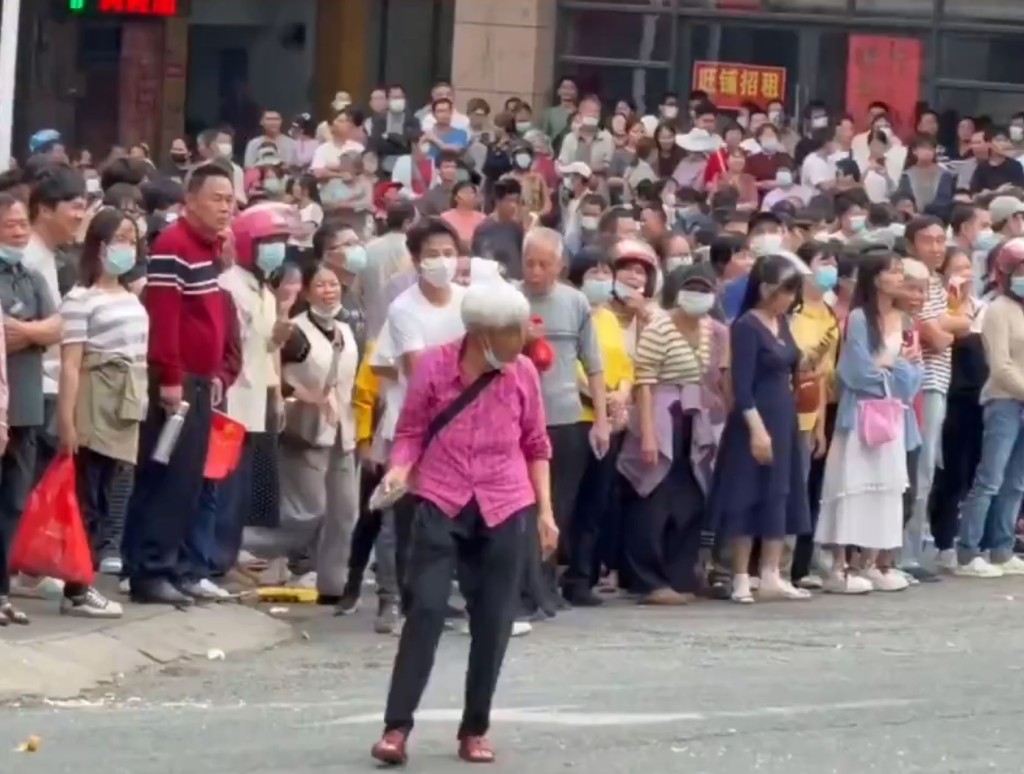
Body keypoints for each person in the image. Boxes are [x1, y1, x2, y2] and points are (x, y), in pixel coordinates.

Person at [369, 281, 556, 767]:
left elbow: (536, 446)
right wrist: (399, 468)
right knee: (426, 610)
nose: (521, 339)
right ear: (481, 333)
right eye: (512, 331)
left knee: (493, 621)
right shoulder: (433, 365)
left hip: (505, 502)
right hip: (441, 497)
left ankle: (475, 729)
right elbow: (410, 431)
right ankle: (396, 728)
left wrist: (547, 513)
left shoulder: (522, 375)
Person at [122, 163, 236, 606]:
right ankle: (151, 571)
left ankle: (161, 565)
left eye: (230, 199)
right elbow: (165, 320)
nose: (225, 207)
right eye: (216, 198)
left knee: (185, 480)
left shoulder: (208, 248)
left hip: (202, 379)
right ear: (190, 201)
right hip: (178, 381)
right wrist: (171, 379)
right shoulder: (174, 246)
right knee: (169, 479)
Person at [618, 262, 728, 604]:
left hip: (696, 420)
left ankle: (682, 574)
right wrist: (649, 434)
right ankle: (648, 579)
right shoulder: (659, 327)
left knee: (691, 497)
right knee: (653, 497)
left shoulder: (713, 330)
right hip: (662, 416)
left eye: (704, 290)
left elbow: (718, 380)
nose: (698, 297)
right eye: (691, 289)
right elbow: (645, 380)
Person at [815, 249, 924, 593]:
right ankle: (839, 565)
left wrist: (891, 368)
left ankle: (874, 561)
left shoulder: (904, 320)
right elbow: (856, 372)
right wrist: (890, 371)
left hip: (892, 415)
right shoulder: (860, 318)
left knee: (886, 488)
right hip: (861, 414)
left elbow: (913, 373)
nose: (899, 278)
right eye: (892, 271)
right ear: (875, 277)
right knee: (852, 484)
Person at [709, 253, 811, 603]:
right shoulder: (746, 327)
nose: (789, 299)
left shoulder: (782, 324)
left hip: (784, 413)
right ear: (767, 289)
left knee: (778, 492)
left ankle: (771, 571)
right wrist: (756, 428)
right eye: (785, 291)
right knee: (745, 493)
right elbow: (742, 383)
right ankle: (740, 574)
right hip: (754, 416)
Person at [518, 227, 608, 608]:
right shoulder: (509, 299)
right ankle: (526, 586)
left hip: (565, 416)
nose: (536, 272)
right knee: (524, 505)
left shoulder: (575, 303)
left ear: (560, 265)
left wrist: (601, 419)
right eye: (530, 263)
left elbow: (595, 364)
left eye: (545, 264)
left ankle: (546, 583)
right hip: (518, 420)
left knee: (559, 506)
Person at [276, 261, 360, 602]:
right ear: (308, 291)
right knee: (310, 510)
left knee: (345, 510)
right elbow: (273, 376)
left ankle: (333, 583)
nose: (329, 291)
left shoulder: (345, 329)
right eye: (321, 285)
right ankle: (247, 544)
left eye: (333, 284)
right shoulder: (293, 331)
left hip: (343, 428)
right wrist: (303, 396)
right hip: (306, 428)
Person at [0, 194, 61, 625]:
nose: (19, 233)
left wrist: (27, 331)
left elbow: (57, 326)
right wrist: (30, 333)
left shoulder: (30, 276)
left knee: (13, 503)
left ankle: (2, 591)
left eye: (23, 225)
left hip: (27, 405)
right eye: (9, 226)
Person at [955, 238, 1024, 577]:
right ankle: (968, 551)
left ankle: (1002, 547)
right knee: (990, 478)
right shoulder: (997, 309)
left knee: (1016, 482)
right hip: (1004, 401)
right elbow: (1000, 365)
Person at [471, 178, 525, 280]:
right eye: (509, 200)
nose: (514, 206)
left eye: (516, 201)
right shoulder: (484, 230)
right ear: (497, 201)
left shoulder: (517, 229)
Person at [441, 181, 487, 249]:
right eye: (465, 192)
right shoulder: (445, 218)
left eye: (471, 193)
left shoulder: (483, 218)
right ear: (456, 197)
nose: (469, 195)